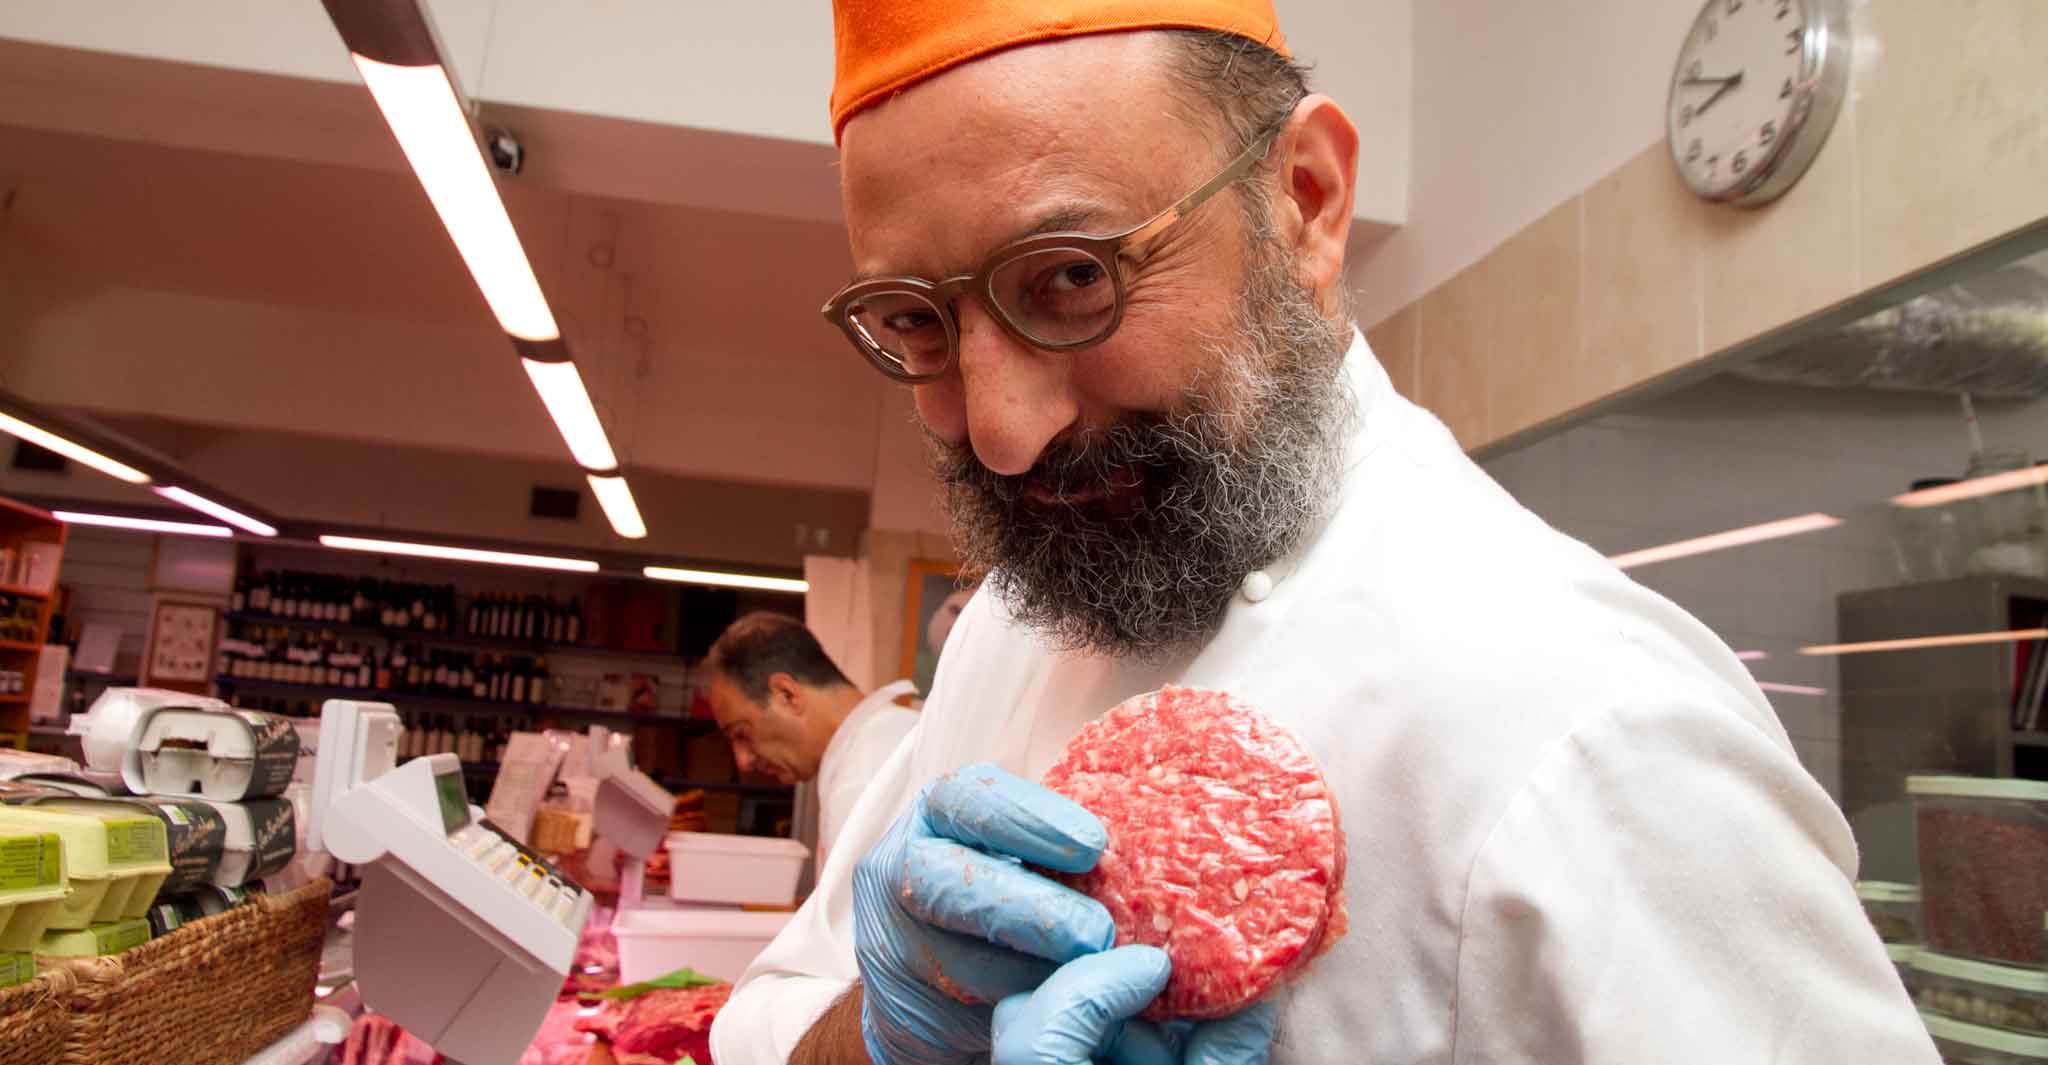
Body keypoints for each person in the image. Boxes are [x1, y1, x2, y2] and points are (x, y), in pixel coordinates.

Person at [711, 2, 1939, 1063]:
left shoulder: (1586, 736)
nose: (998, 434)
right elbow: (763, 1020)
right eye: (916, 321)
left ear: (1304, 201)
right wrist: (891, 1034)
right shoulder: (1008, 624)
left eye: (1072, 278)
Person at [702, 612, 919, 868]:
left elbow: (858, 907)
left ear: (786, 695)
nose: (743, 761)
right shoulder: (887, 736)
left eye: (741, 734)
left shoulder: (866, 772)